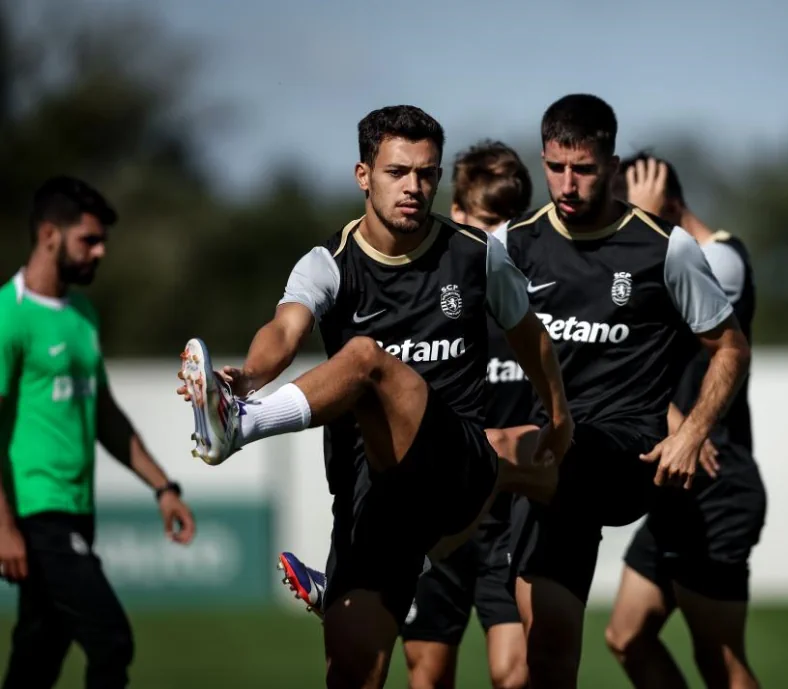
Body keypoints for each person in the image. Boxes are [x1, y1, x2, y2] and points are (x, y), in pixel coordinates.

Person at [176, 106, 571, 689]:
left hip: (452, 462)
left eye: (427, 173)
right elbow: (284, 331)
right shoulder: (328, 263)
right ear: (364, 175)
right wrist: (247, 376)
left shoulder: (475, 255)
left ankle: (243, 425)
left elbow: (529, 334)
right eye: (397, 172)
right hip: (373, 503)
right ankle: (401, 560)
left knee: (365, 360)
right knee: (354, 671)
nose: (414, 187)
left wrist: (560, 413)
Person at [495, 94, 752, 689]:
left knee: (482, 452)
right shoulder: (514, 245)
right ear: (542, 159)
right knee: (548, 656)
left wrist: (690, 433)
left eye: (582, 169)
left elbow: (730, 348)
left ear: (611, 166)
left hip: (625, 455)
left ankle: (393, 566)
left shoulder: (666, 248)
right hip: (550, 469)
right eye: (555, 167)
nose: (567, 183)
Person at [277, 140, 534, 689]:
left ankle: (361, 574)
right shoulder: (433, 287)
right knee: (427, 670)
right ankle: (375, 571)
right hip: (428, 498)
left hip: (497, 522)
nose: (493, 234)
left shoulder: (519, 303)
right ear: (456, 214)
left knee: (515, 673)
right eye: (482, 219)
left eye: (508, 221)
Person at [0, 176, 196, 689]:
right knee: (111, 640)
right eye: (89, 239)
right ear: (48, 234)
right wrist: (3, 527)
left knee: (37, 657)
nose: (101, 250)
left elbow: (105, 414)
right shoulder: (8, 316)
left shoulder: (81, 314)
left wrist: (163, 487)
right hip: (37, 513)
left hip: (76, 511)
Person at [605, 153, 766, 689]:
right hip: (676, 484)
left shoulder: (723, 259)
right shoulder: (667, 255)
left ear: (666, 203)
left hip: (717, 483)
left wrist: (644, 229)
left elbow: (633, 308)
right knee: (626, 636)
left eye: (635, 213)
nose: (625, 225)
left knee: (718, 659)